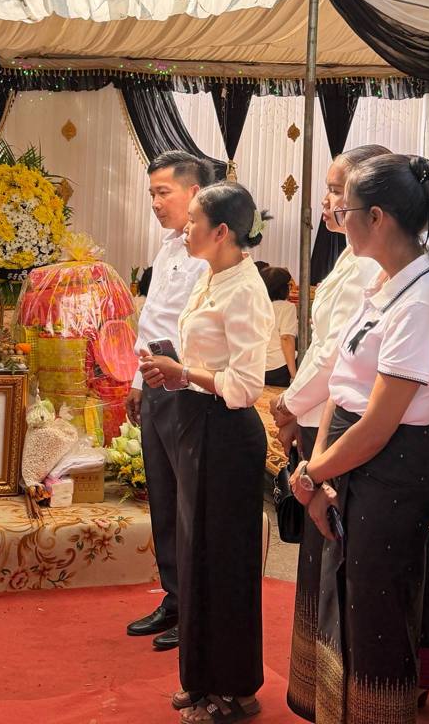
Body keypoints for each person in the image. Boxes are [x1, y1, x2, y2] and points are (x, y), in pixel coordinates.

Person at [290, 153, 429, 724]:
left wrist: (313, 472)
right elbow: (343, 383)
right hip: (349, 454)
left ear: (377, 217)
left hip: (390, 467)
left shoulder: (425, 301)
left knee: (377, 617)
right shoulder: (385, 283)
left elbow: (379, 422)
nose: (336, 217)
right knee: (343, 604)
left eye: (344, 208)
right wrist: (318, 466)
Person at [141, 181, 271, 723]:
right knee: (198, 559)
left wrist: (183, 372)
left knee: (225, 564)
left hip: (228, 434)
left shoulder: (245, 290)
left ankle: (235, 689)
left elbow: (246, 385)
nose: (185, 226)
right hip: (199, 424)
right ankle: (200, 678)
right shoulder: (211, 276)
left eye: (194, 219)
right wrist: (174, 373)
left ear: (221, 231)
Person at [270, 143, 387, 722]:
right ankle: (323, 692)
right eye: (329, 188)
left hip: (335, 421)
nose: (327, 200)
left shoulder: (366, 263)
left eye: (338, 190)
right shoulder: (349, 257)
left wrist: (287, 404)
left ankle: (343, 697)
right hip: (320, 414)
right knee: (319, 567)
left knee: (332, 564)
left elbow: (333, 353)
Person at [124, 151, 215, 653]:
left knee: (188, 501)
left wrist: (174, 374)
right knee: (162, 495)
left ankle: (197, 606)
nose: (156, 203)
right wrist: (137, 379)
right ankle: (175, 596)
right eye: (152, 194)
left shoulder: (211, 250)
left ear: (194, 193)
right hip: (155, 379)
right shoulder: (166, 246)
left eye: (164, 192)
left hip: (188, 383)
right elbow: (153, 316)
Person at [260, 265, 295, 387]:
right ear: (283, 288)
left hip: (258, 368)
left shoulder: (256, 306)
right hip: (278, 369)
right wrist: (294, 375)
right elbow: (286, 339)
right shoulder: (287, 307)